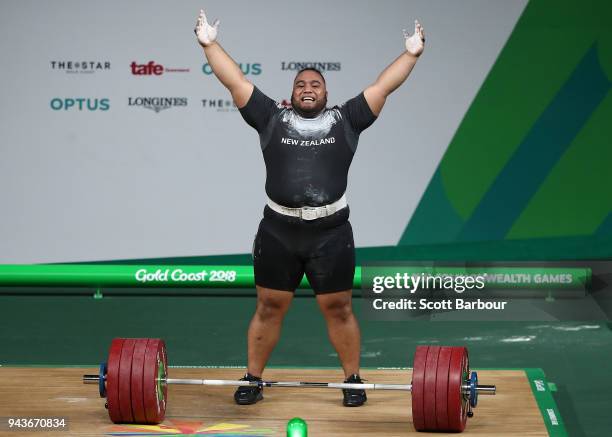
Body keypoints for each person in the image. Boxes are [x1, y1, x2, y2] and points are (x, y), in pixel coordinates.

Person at [194, 8, 424, 407]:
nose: (308, 88)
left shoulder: (347, 119)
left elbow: (383, 87)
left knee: (338, 308)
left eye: (315, 84)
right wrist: (210, 44)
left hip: (331, 232)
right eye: (301, 83)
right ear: (292, 92)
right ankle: (253, 378)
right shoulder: (270, 117)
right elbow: (235, 80)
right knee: (268, 306)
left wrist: (411, 55)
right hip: (279, 231)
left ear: (326, 94)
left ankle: (353, 379)